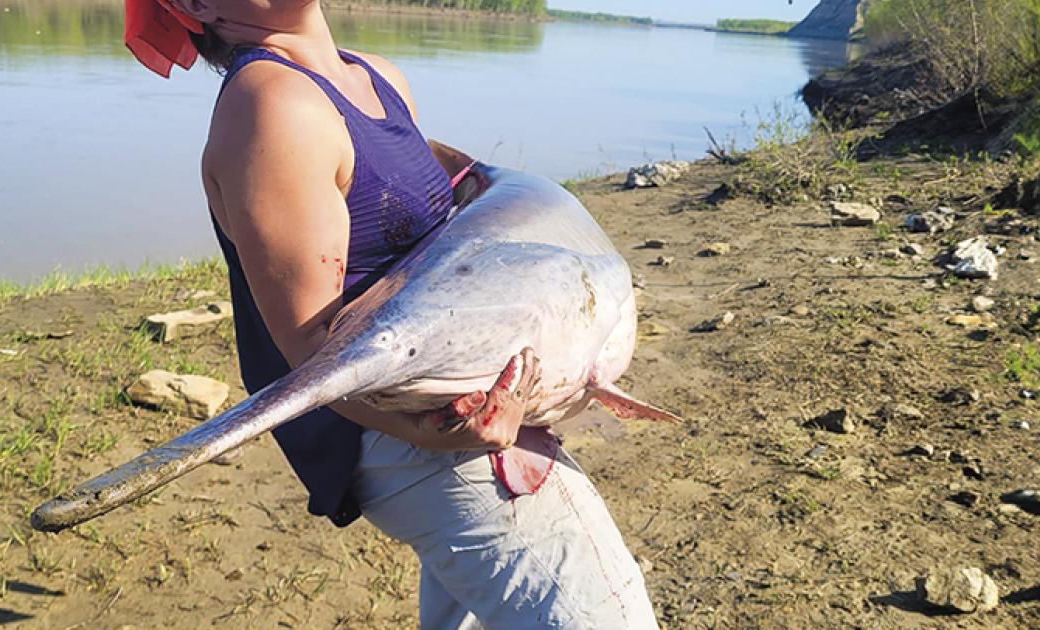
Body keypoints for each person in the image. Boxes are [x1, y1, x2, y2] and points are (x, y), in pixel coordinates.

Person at [123, 1, 658, 627]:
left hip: (464, 407)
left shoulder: (377, 77)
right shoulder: (272, 106)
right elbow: (316, 354)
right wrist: (433, 434)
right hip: (404, 435)